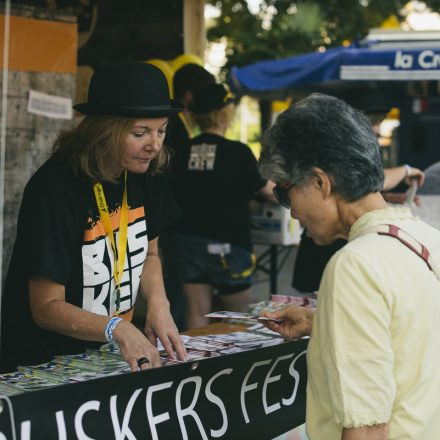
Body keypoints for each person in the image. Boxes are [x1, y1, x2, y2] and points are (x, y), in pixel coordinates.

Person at [259, 93, 440, 439]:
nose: (292, 212)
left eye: (286, 194)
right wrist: (325, 322)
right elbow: (410, 336)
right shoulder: (423, 237)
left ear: (320, 182)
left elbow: (368, 428)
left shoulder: (354, 267)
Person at [0, 62, 187, 374]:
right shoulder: (55, 189)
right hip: (42, 364)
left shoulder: (146, 173)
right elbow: (45, 307)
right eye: (139, 132)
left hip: (106, 357)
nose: (154, 145)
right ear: (104, 131)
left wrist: (158, 302)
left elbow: (150, 253)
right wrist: (120, 329)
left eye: (162, 130)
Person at [292, 87, 425, 293]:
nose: (379, 130)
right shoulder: (334, 148)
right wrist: (405, 170)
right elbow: (369, 181)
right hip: (325, 249)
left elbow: (353, 191)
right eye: (374, 122)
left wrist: (386, 197)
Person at [172, 83, 276, 329]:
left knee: (196, 311)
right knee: (237, 315)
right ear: (225, 114)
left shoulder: (180, 151)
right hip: (229, 246)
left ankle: (194, 364)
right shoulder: (237, 152)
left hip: (186, 241)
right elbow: (266, 191)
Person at [160, 63, 216, 331]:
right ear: (190, 97)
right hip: (171, 223)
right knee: (176, 293)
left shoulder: (179, 126)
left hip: (174, 224)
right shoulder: (173, 126)